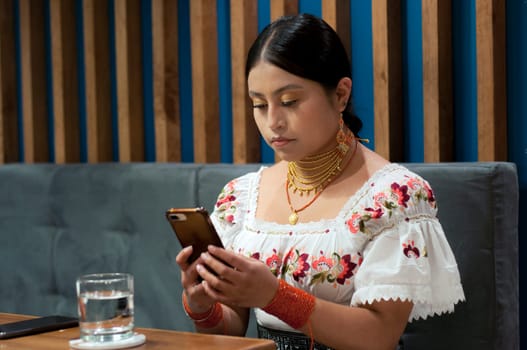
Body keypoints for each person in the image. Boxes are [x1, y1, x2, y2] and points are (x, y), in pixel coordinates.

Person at [176, 13, 464, 350]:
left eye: (289, 102)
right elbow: (232, 330)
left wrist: (273, 295)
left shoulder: (393, 197)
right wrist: (202, 306)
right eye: (259, 104)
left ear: (341, 94)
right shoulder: (240, 199)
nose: (273, 122)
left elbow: (379, 336)